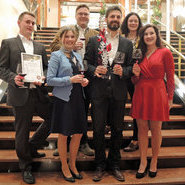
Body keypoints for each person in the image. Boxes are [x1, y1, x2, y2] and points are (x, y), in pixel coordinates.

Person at [0, 12, 51, 184]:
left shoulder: (40, 47)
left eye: (33, 23)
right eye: (27, 22)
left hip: (38, 93)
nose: (30, 25)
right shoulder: (8, 43)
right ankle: (26, 166)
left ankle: (32, 146)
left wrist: (43, 76)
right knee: (22, 131)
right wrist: (13, 78)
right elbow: (2, 69)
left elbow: (45, 68)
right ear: (19, 23)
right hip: (20, 93)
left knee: (53, 118)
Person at [84, 6, 133, 182]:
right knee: (97, 130)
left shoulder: (128, 44)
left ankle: (114, 164)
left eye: (118, 16)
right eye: (112, 16)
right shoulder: (95, 40)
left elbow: (130, 68)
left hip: (119, 92)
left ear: (121, 19)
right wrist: (93, 68)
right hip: (98, 92)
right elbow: (86, 64)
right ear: (106, 19)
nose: (115, 19)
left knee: (118, 130)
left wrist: (124, 71)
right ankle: (99, 164)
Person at [50, 4, 98, 157]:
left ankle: (82, 142)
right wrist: (70, 45)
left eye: (86, 13)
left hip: (87, 75)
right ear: (76, 15)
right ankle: (64, 142)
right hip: (68, 73)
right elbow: (53, 46)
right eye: (80, 13)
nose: (83, 16)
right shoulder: (68, 29)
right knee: (66, 111)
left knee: (82, 110)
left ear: (89, 15)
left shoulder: (95, 33)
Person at [131, 24, 175, 178]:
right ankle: (143, 161)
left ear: (156, 35)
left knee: (156, 130)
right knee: (142, 129)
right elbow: (135, 81)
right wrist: (135, 74)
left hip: (158, 92)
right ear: (142, 37)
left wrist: (170, 97)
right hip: (141, 92)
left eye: (151, 33)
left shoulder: (165, 52)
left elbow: (170, 77)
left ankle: (154, 161)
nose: (148, 36)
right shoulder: (139, 53)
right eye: (145, 34)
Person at [47, 26, 89, 183]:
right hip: (63, 99)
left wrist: (83, 81)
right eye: (67, 36)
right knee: (64, 133)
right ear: (61, 38)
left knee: (78, 133)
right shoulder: (56, 56)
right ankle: (64, 166)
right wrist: (69, 80)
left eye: (72, 36)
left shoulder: (77, 55)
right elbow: (49, 79)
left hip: (78, 98)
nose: (70, 39)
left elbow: (80, 75)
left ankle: (73, 164)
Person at [121, 12, 142, 152]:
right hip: (122, 75)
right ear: (126, 23)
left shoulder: (144, 37)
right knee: (117, 104)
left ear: (139, 23)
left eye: (135, 21)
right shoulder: (121, 37)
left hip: (138, 77)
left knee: (136, 108)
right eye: (130, 21)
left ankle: (136, 138)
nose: (133, 23)